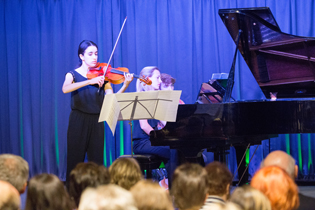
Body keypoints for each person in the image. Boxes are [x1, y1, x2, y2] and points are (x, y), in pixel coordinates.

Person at [62, 40, 133, 184]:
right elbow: (65, 88)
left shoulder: (104, 77)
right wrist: (89, 81)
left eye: (96, 53)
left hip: (97, 121)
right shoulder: (72, 74)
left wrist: (125, 85)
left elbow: (112, 99)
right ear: (81, 56)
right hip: (78, 120)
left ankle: (97, 196)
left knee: (97, 162)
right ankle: (71, 197)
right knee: (75, 160)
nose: (94, 57)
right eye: (90, 54)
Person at [132, 66, 175, 182]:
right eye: (157, 78)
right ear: (148, 79)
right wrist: (159, 138)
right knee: (171, 151)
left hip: (152, 140)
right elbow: (144, 126)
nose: (160, 81)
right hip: (142, 142)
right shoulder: (141, 98)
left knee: (177, 148)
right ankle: (173, 189)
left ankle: (176, 187)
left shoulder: (156, 98)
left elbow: (164, 121)